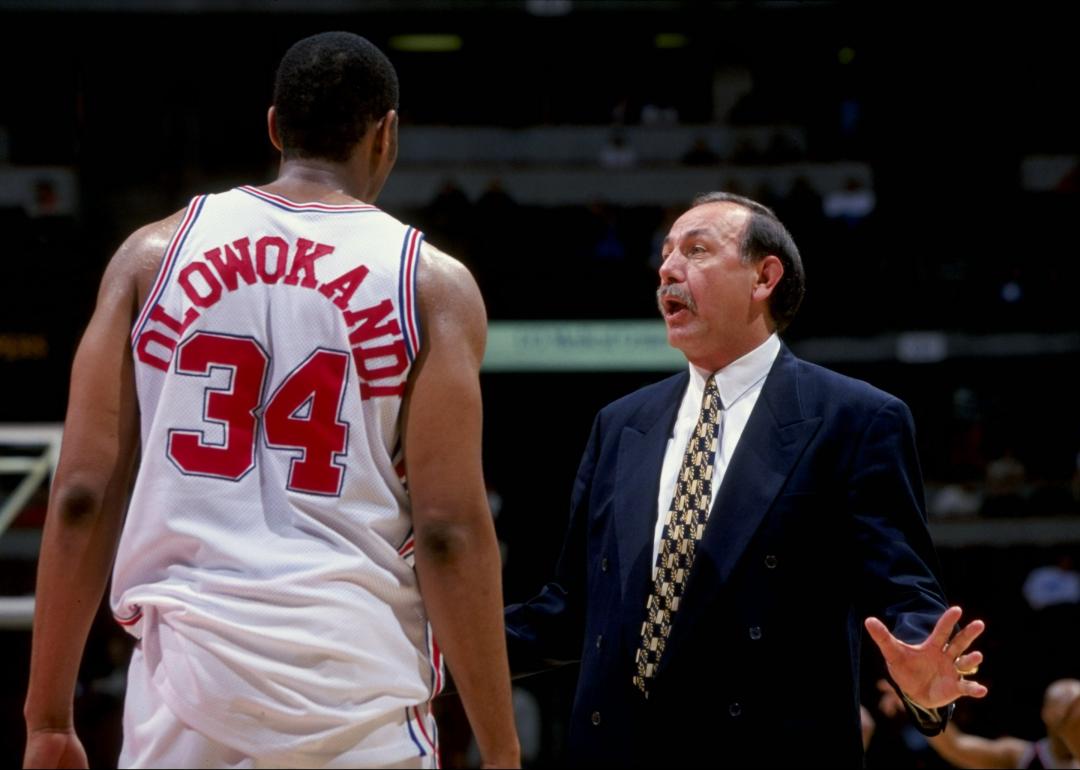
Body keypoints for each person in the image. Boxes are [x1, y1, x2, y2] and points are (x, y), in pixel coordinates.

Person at [23, 31, 519, 769]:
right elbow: (449, 531)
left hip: (186, 693)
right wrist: (502, 749)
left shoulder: (150, 257)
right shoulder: (430, 284)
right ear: (388, 135)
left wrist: (48, 718)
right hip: (360, 694)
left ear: (274, 127)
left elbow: (82, 497)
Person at [504, 191, 987, 767]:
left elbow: (903, 588)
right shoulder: (620, 423)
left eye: (696, 249)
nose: (667, 269)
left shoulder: (855, 417)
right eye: (665, 254)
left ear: (764, 277)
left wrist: (919, 674)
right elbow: (571, 610)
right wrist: (436, 649)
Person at [878, 677, 1080, 769]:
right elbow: (956, 746)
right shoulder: (1019, 756)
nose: (1074, 709)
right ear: (1046, 713)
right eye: (1068, 702)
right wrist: (920, 704)